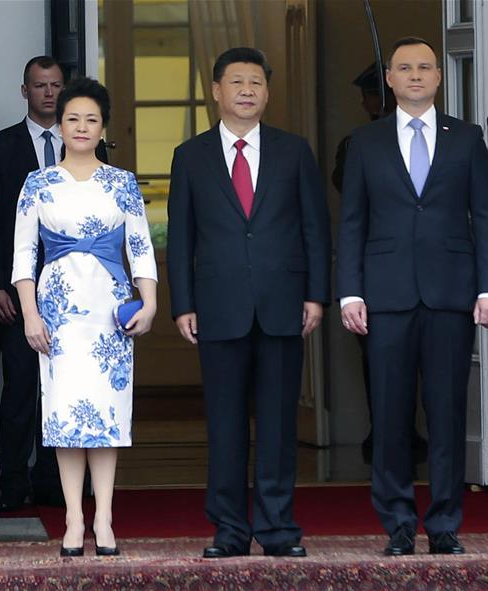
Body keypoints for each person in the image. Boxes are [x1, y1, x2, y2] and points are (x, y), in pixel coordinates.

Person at [336, 37, 488, 556]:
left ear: (438, 77)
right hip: (384, 295)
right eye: (404, 68)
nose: (414, 75)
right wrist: (349, 293)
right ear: (389, 78)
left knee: (449, 410)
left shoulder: (467, 137)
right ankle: (399, 521)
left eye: (424, 67)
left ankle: (446, 522)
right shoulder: (364, 142)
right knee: (389, 412)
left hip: (451, 292)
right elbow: (352, 223)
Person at [167, 47, 331, 558]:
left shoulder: (293, 150)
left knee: (280, 424)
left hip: (284, 303)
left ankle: (279, 529)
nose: (246, 90)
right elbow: (180, 236)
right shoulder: (190, 156)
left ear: (267, 93)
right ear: (216, 91)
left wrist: (316, 295)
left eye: (255, 82)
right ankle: (230, 531)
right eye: (236, 82)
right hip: (217, 307)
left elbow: (314, 228)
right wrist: (182, 304)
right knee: (225, 425)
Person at [11, 77, 158, 556]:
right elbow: (22, 256)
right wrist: (31, 315)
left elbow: (140, 248)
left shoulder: (122, 182)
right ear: (61, 122)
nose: (80, 126)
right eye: (72, 118)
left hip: (109, 311)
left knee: (106, 417)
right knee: (64, 415)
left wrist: (149, 301)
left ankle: (106, 518)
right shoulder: (38, 183)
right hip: (58, 311)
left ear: (102, 127)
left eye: (90, 119)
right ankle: (74, 518)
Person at [0, 55, 106, 511]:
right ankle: (12, 483)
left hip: (76, 292)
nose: (50, 93)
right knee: (19, 388)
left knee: (66, 387)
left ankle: (56, 483)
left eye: (57, 85)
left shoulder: (88, 147)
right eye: (40, 85)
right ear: (25, 91)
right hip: (17, 294)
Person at [332, 63, 427, 467]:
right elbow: (346, 187)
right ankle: (386, 431)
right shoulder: (358, 143)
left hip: (428, 271)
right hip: (378, 268)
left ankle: (416, 434)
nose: (367, 103)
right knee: (380, 364)